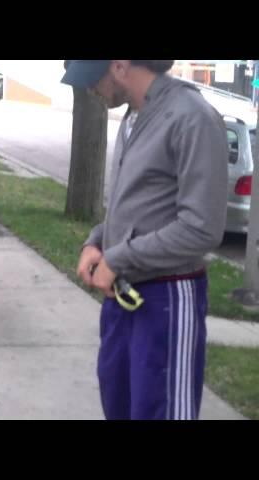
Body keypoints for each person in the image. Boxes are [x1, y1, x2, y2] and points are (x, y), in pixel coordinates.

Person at [61, 60, 228, 420]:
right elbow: (131, 205)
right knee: (118, 404)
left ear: (120, 66)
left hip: (167, 300)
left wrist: (117, 259)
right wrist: (96, 243)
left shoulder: (191, 117)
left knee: (160, 412)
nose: (90, 89)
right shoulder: (134, 117)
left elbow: (201, 229)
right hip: (122, 297)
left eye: (93, 79)